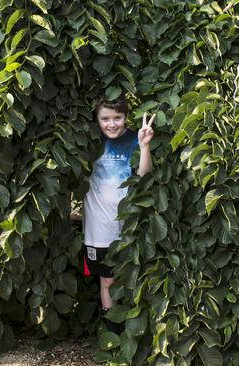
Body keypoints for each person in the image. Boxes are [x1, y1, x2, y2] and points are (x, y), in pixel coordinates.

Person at [82, 95, 154, 330]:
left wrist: (144, 146)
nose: (111, 124)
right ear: (97, 119)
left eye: (117, 118)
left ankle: (134, 331)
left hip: (130, 226)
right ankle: (112, 332)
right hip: (99, 229)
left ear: (126, 118)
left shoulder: (134, 139)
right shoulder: (89, 143)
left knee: (132, 278)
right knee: (108, 280)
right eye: (105, 119)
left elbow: (143, 177)